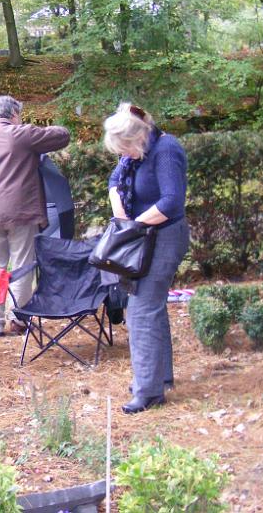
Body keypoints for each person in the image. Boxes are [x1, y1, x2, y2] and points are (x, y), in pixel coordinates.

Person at [103, 102, 189, 414]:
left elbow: (171, 202)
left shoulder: (166, 150)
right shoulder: (133, 155)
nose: (123, 155)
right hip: (142, 237)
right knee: (151, 307)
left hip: (165, 237)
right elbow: (115, 183)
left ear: (139, 136)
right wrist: (122, 216)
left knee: (141, 310)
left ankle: (149, 392)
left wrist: (135, 225)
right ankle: (159, 377)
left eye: (125, 148)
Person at [0, 95, 70, 337]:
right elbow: (62, 136)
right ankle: (18, 319)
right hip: (20, 212)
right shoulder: (20, 133)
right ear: (14, 114)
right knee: (22, 266)